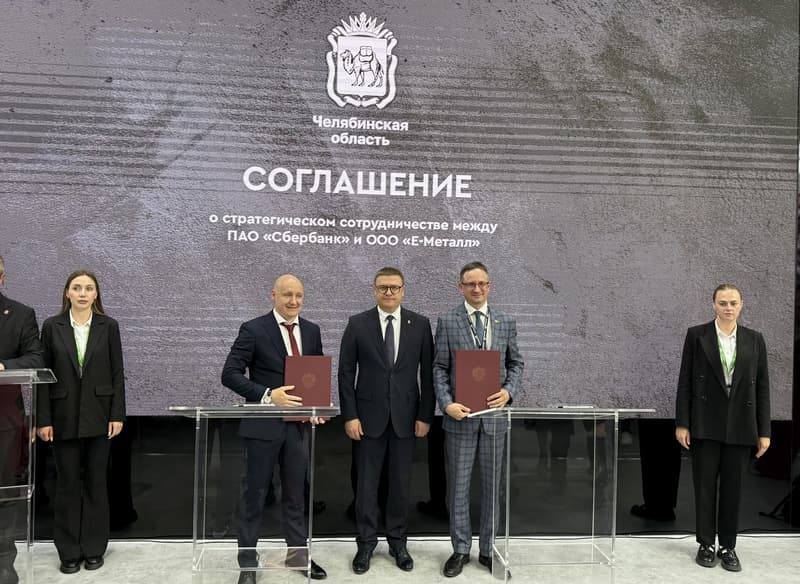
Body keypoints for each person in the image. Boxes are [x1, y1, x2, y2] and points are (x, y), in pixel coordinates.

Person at [221, 274, 327, 584]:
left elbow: (313, 376)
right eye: (287, 295)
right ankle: (247, 563)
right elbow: (230, 373)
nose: (294, 301)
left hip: (298, 429)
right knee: (254, 496)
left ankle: (297, 555)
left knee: (296, 495)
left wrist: (316, 407)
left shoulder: (312, 330)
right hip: (262, 428)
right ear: (273, 296)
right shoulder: (254, 329)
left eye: (299, 295)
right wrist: (268, 395)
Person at [338, 267, 434, 574]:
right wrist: (350, 415)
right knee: (366, 485)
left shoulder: (420, 324)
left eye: (394, 287)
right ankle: (366, 543)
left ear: (403, 290)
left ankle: (397, 542)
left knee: (400, 485)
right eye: (383, 287)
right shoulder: (357, 324)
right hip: (367, 420)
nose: (389, 292)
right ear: (374, 290)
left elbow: (428, 374)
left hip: (406, 419)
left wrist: (425, 415)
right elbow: (345, 373)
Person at [433, 261, 524, 577]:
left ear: (489, 286)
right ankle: (460, 550)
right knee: (458, 489)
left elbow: (516, 363)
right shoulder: (447, 321)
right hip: (460, 419)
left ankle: (488, 551)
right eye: (470, 284)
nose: (476, 288)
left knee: (492, 489)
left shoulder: (505, 321)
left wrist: (508, 392)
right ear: (460, 287)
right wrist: (446, 404)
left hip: (494, 419)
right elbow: (439, 368)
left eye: (482, 283)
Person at [675, 283, 771, 572]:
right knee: (704, 487)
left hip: (741, 424)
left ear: (742, 305)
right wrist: (683, 423)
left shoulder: (754, 339)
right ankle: (706, 543)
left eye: (733, 303)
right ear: (713, 304)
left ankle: (728, 546)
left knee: (734, 489)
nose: (728, 308)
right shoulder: (697, 335)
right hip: (705, 422)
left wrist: (764, 431)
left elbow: (762, 387)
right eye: (723, 303)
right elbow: (685, 381)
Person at [37, 270, 126, 575]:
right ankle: (69, 551)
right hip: (62, 417)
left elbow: (117, 373)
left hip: (100, 416)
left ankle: (94, 548)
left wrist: (117, 414)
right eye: (77, 288)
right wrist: (43, 419)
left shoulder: (109, 326)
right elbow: (43, 376)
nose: (83, 293)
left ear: (96, 294)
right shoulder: (52, 326)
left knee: (96, 484)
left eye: (89, 288)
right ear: (67, 293)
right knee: (67, 485)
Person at [0, 256, 45, 584]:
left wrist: (3, 366)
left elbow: (35, 357)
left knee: (4, 494)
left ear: (2, 277)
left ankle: (4, 561)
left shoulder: (20, 313)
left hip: (4, 420)